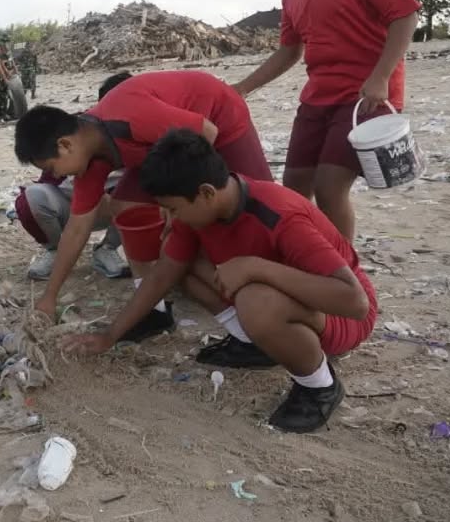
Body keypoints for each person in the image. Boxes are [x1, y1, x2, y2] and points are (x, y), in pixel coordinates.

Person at [65, 130, 377, 433]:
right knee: (179, 260)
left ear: (206, 193)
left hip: (339, 316)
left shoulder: (280, 214)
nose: (170, 216)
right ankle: (253, 344)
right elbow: (162, 274)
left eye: (172, 208)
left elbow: (355, 302)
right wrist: (110, 335)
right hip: (286, 300)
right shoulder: (200, 211)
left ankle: (319, 387)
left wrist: (256, 268)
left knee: (257, 301)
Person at [14, 70, 272, 338]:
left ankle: (265, 310)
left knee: (252, 209)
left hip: (221, 120)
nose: (55, 175)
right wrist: (49, 297)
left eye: (51, 168)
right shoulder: (90, 159)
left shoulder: (127, 114)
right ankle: (154, 310)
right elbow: (77, 228)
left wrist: (179, 201)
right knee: (126, 207)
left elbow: (206, 132)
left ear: (65, 145)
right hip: (165, 150)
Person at [235, 0, 421, 240]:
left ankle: (342, 266)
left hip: (364, 98)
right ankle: (306, 253)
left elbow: (405, 15)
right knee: (293, 186)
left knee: (329, 187)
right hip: (317, 100)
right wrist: (242, 88)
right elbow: (288, 52)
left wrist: (380, 77)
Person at [14, 72, 132, 281]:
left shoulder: (144, 134)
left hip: (118, 208)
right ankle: (56, 250)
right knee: (31, 199)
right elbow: (53, 177)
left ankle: (108, 248)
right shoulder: (77, 133)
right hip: (76, 206)